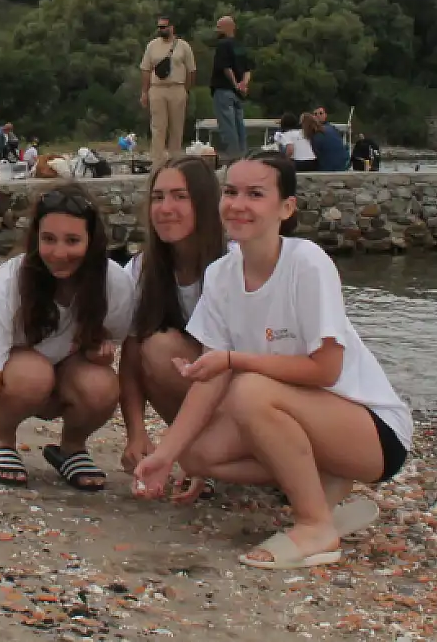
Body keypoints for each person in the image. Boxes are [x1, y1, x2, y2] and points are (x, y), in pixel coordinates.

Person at [131, 154, 412, 571]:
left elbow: (326, 370)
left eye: (255, 194)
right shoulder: (223, 274)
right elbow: (209, 376)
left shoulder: (306, 262)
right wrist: (167, 454)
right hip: (300, 417)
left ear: (286, 208)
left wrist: (236, 359)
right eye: (231, 192)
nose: (238, 204)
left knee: (247, 386)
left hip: (372, 430)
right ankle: (321, 484)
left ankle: (315, 526)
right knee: (198, 455)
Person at [0, 186, 135, 508]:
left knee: (101, 384)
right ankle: (3, 440)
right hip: (11, 374)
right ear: (36, 238)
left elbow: (126, 352)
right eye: (49, 239)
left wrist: (136, 434)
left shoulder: (115, 284)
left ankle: (71, 448)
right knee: (32, 375)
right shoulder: (10, 282)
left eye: (72, 241)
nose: (59, 253)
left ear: (92, 242)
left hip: (65, 369)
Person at [118, 157, 227, 495]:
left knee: (164, 346)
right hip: (200, 389)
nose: (166, 208)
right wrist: (136, 432)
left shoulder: (232, 263)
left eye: (180, 196)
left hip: (242, 391)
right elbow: (131, 352)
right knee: (153, 345)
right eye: (158, 197)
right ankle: (196, 456)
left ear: (205, 203)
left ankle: (224, 454)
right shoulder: (143, 268)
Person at [139, 15, 197, 166]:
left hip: (177, 87)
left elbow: (191, 70)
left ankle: (175, 160)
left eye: (164, 27)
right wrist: (144, 92)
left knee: (176, 127)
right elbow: (145, 69)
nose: (161, 30)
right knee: (158, 126)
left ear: (171, 28)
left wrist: (186, 90)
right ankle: (157, 161)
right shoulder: (152, 45)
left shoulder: (183, 46)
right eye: (159, 27)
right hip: (157, 89)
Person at [209, 16, 251, 160]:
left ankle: (233, 160)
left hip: (224, 90)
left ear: (228, 27)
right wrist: (243, 85)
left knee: (228, 128)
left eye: (219, 27)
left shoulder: (223, 45)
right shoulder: (240, 46)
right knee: (240, 127)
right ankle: (243, 157)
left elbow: (225, 68)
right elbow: (248, 69)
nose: (217, 30)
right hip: (238, 95)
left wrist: (234, 84)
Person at [312, 106, 350, 173]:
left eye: (320, 113)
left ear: (325, 115)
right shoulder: (333, 129)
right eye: (315, 114)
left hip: (328, 168)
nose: (318, 116)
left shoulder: (325, 131)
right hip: (342, 166)